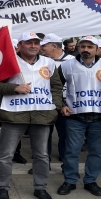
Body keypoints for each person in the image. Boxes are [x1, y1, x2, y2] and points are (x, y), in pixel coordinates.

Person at [0, 32, 63, 199]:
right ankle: (2, 188)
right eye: (28, 42)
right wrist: (15, 88)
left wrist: (56, 107)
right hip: (13, 114)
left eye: (36, 43)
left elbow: (56, 87)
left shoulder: (49, 63)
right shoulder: (9, 62)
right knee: (5, 155)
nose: (33, 46)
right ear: (20, 45)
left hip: (42, 114)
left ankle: (40, 187)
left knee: (42, 155)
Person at [57, 36, 101, 197]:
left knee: (96, 152)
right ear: (78, 47)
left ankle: (90, 180)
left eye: (90, 46)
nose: (86, 49)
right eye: (82, 46)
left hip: (99, 117)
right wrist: (61, 105)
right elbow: (55, 87)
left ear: (97, 49)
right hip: (75, 117)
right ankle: (70, 180)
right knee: (71, 151)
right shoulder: (66, 65)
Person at [39, 33, 74, 168]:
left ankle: (66, 163)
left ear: (54, 46)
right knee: (43, 134)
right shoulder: (41, 60)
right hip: (45, 102)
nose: (41, 48)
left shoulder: (72, 60)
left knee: (65, 134)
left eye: (44, 46)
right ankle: (43, 162)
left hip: (65, 103)